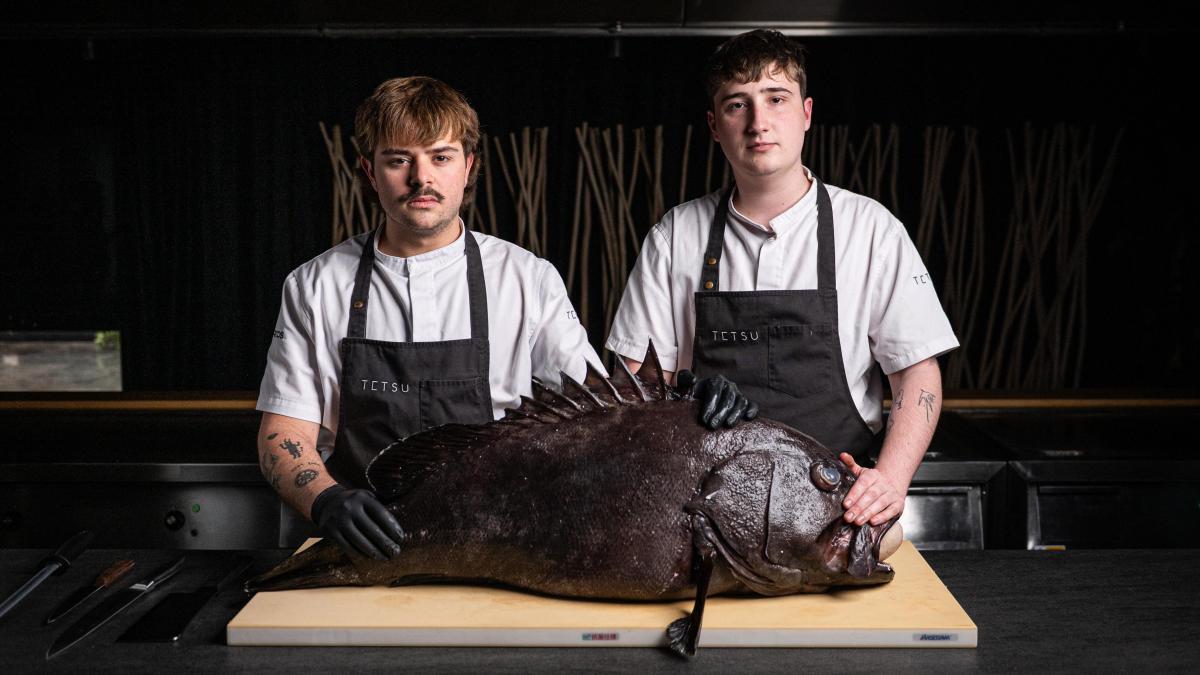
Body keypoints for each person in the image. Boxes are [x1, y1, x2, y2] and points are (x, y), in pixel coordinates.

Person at [256, 76, 756, 562]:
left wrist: (686, 403)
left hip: (497, 549)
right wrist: (326, 500)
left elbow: (598, 416)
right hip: (361, 547)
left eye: (441, 157)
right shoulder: (315, 287)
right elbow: (284, 433)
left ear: (468, 166)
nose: (421, 178)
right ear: (369, 171)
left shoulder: (525, 279)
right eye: (398, 160)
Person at [606, 30, 959, 531]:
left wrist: (890, 480)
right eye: (737, 105)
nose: (758, 123)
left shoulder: (870, 229)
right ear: (714, 124)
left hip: (836, 511)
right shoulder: (674, 236)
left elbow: (916, 373)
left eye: (776, 99)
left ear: (807, 113)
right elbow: (633, 387)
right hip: (704, 510)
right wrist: (686, 398)